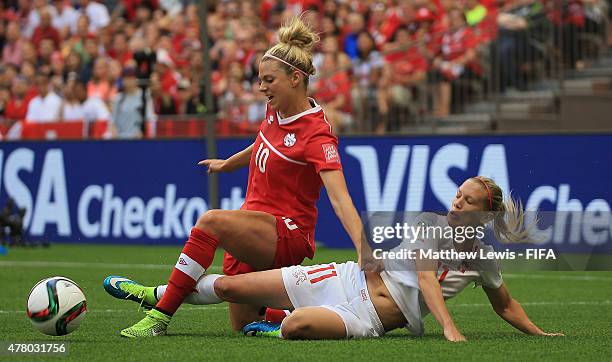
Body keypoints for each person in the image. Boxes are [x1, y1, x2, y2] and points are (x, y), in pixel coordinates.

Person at [112, 17, 369, 338]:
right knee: (242, 320)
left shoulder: (317, 134)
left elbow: (339, 196)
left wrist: (363, 247)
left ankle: (158, 312)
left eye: (268, 80)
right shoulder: (277, 109)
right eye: (260, 79)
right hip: (255, 226)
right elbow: (264, 141)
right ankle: (307, 315)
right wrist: (229, 164)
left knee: (211, 222)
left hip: (287, 233)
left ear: (295, 78)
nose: (261, 87)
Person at [104, 176, 564, 341]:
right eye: (457, 195)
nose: (456, 204)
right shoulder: (431, 223)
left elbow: (504, 305)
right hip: (342, 278)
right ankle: (155, 295)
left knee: (294, 327)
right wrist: (448, 328)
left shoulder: (481, 257)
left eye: (466, 201)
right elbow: (426, 279)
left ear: (483, 213)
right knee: (226, 287)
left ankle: (274, 321)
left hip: (368, 317)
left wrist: (540, 334)